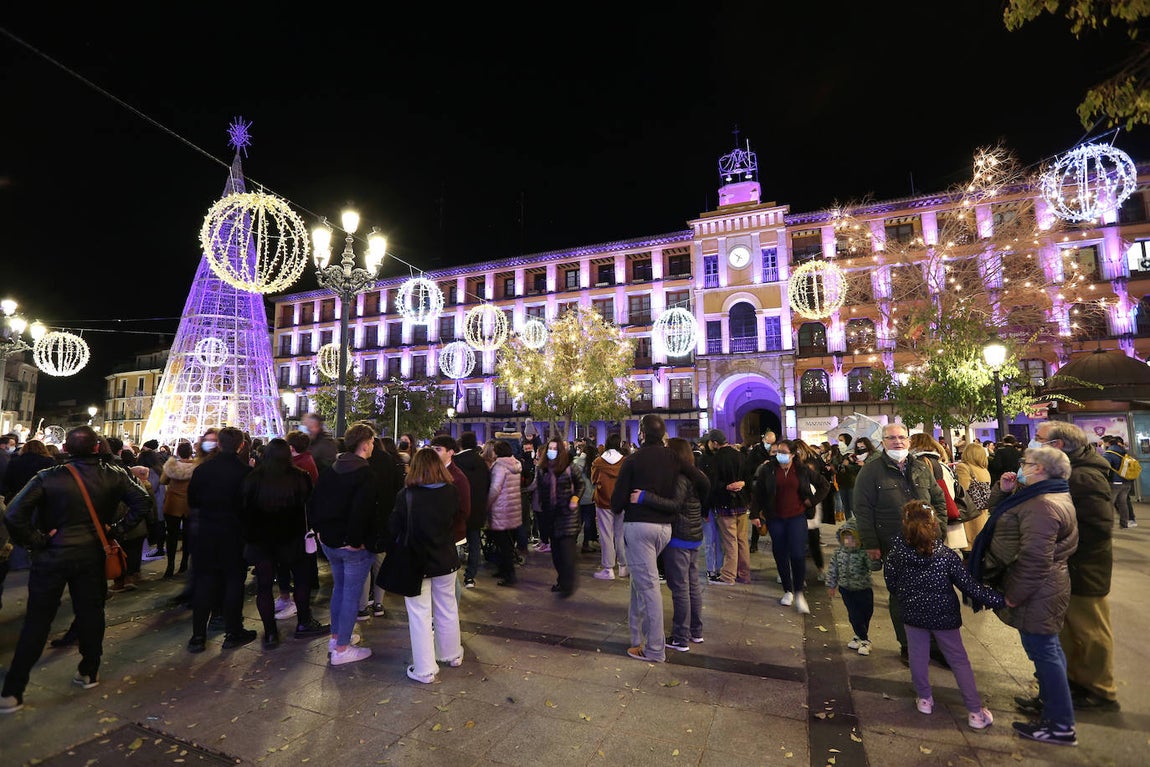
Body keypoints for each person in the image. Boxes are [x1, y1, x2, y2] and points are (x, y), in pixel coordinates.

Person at [0, 426, 151, 712]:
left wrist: (37, 540)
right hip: (92, 554)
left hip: (52, 556)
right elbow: (142, 501)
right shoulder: (114, 474)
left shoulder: (48, 477)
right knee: (91, 613)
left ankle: (13, 690)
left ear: (66, 449)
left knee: (38, 620)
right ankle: (89, 670)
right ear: (97, 448)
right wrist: (116, 530)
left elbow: (13, 513)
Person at [973, 445, 1079, 746]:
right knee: (1045, 649)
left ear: (1040, 469)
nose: (1022, 465)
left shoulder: (1043, 504)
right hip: (1044, 587)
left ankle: (1060, 725)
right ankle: (1049, 703)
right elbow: (1003, 520)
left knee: (1045, 651)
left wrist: (1013, 595)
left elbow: (1035, 558)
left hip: (1038, 590)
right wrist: (1004, 492)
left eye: (1026, 462)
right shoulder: (1039, 495)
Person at [1022, 422, 1118, 712]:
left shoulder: (1084, 477)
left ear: (1058, 445)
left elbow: (1098, 528)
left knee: (1090, 632)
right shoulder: (1067, 472)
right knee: (1067, 631)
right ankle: (1072, 685)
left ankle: (1100, 691)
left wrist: (1059, 548)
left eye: (1038, 440)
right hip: (1066, 567)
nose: (1033, 444)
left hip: (1083, 569)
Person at [884, 501, 1003, 730]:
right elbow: (969, 586)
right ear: (934, 526)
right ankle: (975, 712)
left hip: (912, 615)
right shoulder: (946, 556)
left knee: (918, 656)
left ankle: (925, 700)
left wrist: (906, 597)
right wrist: (999, 599)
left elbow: (891, 583)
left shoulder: (896, 554)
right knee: (958, 660)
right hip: (944, 618)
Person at [853, 422, 947, 662]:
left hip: (927, 542)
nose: (898, 442)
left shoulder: (920, 467)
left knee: (933, 595)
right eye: (891, 438)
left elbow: (938, 499)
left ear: (909, 440)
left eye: (902, 437)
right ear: (883, 442)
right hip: (893, 543)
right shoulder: (871, 471)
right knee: (902, 596)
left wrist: (940, 529)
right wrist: (871, 544)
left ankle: (934, 645)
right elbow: (863, 511)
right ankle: (908, 646)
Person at [240, 438, 329, 648]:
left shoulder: (253, 478)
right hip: (293, 538)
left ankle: (270, 632)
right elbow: (310, 506)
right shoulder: (300, 477)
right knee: (301, 580)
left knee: (264, 587)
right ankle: (304, 622)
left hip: (262, 541)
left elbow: (245, 509)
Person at [628, 437, 710, 651]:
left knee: (680, 587)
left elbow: (674, 504)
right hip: (693, 535)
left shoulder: (680, 477)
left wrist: (645, 497)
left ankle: (680, 637)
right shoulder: (695, 474)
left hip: (680, 536)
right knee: (692, 586)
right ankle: (696, 631)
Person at [309, 422, 380, 665]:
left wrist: (319, 531)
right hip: (351, 546)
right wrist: (356, 540)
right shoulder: (365, 473)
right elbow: (363, 510)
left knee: (340, 589)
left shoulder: (333, 469)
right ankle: (342, 649)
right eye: (371, 442)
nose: (372, 446)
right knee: (350, 595)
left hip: (330, 541)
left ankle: (337, 636)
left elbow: (315, 502)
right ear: (363, 444)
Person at [392, 447, 465, 683]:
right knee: (447, 607)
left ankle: (425, 669)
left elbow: (395, 526)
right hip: (446, 558)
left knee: (419, 614)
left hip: (416, 561)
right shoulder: (451, 492)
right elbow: (456, 520)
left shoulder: (407, 495)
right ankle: (451, 653)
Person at [611, 413, 679, 662]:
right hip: (665, 528)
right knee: (640, 583)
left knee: (649, 587)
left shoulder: (633, 460)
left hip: (640, 526)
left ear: (641, 434)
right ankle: (636, 637)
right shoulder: (674, 458)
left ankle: (654, 649)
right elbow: (700, 482)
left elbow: (617, 502)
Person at [185, 427, 257, 653]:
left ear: (218, 444)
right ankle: (233, 632)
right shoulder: (245, 472)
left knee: (204, 583)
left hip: (205, 534)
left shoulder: (203, 470)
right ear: (241, 445)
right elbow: (250, 507)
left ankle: (198, 636)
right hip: (233, 536)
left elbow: (193, 500)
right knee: (234, 583)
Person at [752, 439, 829, 614]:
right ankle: (788, 590)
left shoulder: (802, 470)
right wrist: (755, 514)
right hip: (775, 518)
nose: (780, 454)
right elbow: (759, 493)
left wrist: (812, 501)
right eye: (778, 451)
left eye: (784, 452)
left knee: (797, 553)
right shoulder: (768, 469)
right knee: (780, 553)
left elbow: (824, 485)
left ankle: (799, 592)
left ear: (793, 454)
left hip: (797, 517)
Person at [535, 438, 585, 597]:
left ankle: (567, 584)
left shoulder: (570, 467)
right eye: (550, 448)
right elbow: (540, 488)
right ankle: (562, 581)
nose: (552, 451)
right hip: (551, 516)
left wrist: (575, 499)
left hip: (568, 515)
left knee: (567, 553)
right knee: (556, 554)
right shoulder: (542, 469)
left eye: (555, 449)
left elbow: (580, 485)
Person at [701, 429, 750, 586]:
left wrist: (726, 487)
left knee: (730, 541)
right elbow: (748, 478)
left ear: (715, 443)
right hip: (742, 504)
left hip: (725, 505)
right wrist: (741, 484)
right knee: (742, 540)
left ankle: (728, 575)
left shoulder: (716, 460)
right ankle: (744, 574)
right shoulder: (740, 456)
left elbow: (713, 485)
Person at [826, 519, 875, 655]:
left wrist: (874, 558)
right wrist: (831, 585)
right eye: (846, 537)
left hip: (863, 589)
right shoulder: (838, 553)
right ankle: (865, 640)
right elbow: (832, 570)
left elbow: (872, 566)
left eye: (852, 537)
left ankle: (859, 635)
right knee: (854, 615)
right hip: (846, 589)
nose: (849, 541)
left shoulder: (862, 553)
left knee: (866, 613)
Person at [910, 433, 965, 551]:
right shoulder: (939, 463)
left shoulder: (924, 464)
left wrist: (940, 524)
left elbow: (940, 496)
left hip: (937, 522)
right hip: (945, 520)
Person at [452, 432, 489, 590]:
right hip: (476, 509)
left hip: (459, 509)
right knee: (474, 544)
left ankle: (452, 574)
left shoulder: (455, 462)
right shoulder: (481, 463)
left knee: (452, 542)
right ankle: (470, 577)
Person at [591, 433, 628, 580]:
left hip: (603, 501)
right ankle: (623, 567)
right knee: (621, 535)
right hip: (621, 501)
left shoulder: (598, 462)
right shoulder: (625, 461)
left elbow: (593, 479)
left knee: (606, 536)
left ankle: (608, 569)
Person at [485, 440, 522, 586]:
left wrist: (486, 505)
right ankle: (503, 569)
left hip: (501, 509)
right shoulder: (515, 464)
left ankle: (509, 575)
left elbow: (495, 489)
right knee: (507, 542)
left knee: (503, 544)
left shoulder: (500, 466)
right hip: (512, 508)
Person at [159, 441, 195, 578]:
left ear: (178, 452)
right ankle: (184, 563)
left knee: (172, 535)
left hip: (173, 503)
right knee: (187, 535)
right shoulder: (196, 467)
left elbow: (163, 481)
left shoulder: (171, 466)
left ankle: (170, 565)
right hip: (189, 503)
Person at [953, 442, 993, 552]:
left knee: (969, 545)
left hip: (969, 511)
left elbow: (963, 488)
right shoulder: (984, 470)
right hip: (982, 510)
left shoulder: (963, 467)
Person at [572, 441, 600, 553]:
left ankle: (571, 542)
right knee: (588, 523)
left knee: (577, 522)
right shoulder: (594, 464)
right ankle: (585, 544)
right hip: (590, 497)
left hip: (578, 496)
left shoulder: (576, 461)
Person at [1102, 436, 1135, 528]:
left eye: (1104, 443)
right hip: (1127, 482)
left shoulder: (1109, 453)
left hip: (1115, 482)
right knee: (1123, 503)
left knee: (1108, 504)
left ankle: (1106, 525)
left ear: (1108, 443)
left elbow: (1103, 466)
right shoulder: (1125, 452)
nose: (1103, 445)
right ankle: (1124, 523)